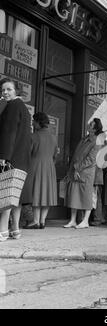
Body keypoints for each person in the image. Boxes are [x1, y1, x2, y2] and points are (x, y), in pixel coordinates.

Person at [0, 78, 32, 241]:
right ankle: (15, 229)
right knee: (16, 195)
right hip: (22, 157)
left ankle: (3, 230)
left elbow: (9, 132)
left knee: (6, 191)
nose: (5, 92)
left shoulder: (12, 106)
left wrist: (4, 156)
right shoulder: (24, 108)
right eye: (3, 90)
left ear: (16, 91)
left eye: (9, 89)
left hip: (11, 156)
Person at [63, 118, 102, 229]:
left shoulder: (96, 141)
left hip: (86, 172)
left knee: (86, 196)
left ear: (95, 129)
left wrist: (78, 169)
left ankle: (85, 221)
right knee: (73, 195)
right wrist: (73, 169)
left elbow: (91, 159)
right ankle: (73, 220)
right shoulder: (84, 139)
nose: (88, 125)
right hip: (76, 170)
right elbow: (77, 155)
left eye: (91, 124)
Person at [23, 112, 58, 229]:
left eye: (34, 121)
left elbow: (27, 153)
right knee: (47, 194)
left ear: (38, 122)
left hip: (36, 166)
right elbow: (55, 155)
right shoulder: (54, 137)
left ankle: (36, 221)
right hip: (50, 168)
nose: (32, 123)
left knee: (36, 193)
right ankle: (43, 221)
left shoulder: (33, 136)